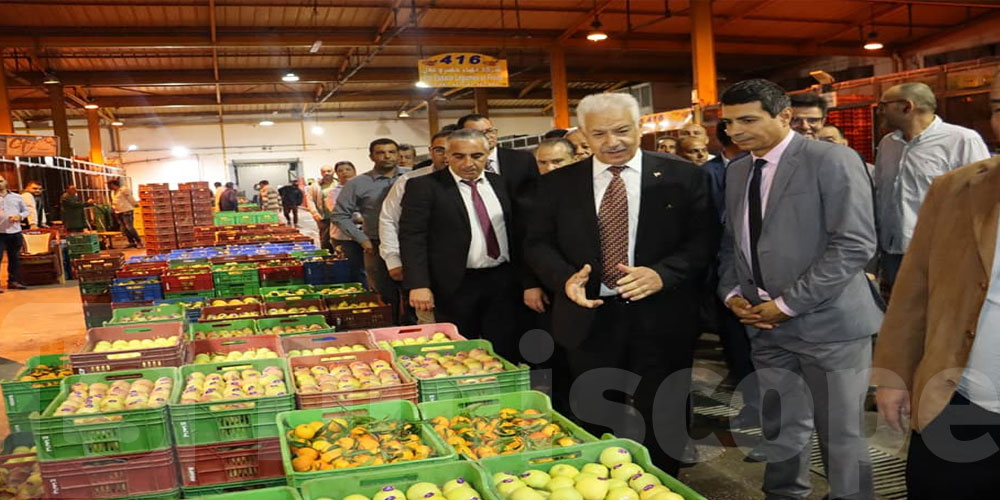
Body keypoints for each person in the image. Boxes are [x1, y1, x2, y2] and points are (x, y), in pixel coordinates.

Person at [526, 92, 720, 474]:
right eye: (599, 134)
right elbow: (536, 243)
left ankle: (663, 483)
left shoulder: (683, 175)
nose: (612, 142)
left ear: (640, 127)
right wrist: (564, 279)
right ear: (582, 133)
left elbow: (705, 240)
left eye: (622, 131)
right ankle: (598, 480)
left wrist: (663, 274)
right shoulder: (557, 184)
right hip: (589, 317)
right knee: (593, 411)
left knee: (664, 413)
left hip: (662, 316)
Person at [717, 78, 881, 500]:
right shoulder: (738, 170)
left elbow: (854, 244)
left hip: (830, 326)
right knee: (780, 424)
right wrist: (733, 292)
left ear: (785, 116)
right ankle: (785, 494)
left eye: (747, 120)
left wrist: (788, 305)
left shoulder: (831, 160)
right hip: (764, 325)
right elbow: (731, 242)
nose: (735, 131)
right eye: (729, 122)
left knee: (840, 434)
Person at [872, 71, 1000, 500]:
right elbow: (914, 288)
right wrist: (893, 374)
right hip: (959, 399)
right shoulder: (956, 190)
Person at [400, 129, 528, 359]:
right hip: (454, 284)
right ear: (447, 156)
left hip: (503, 280)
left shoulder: (501, 184)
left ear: (488, 154)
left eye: (477, 155)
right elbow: (412, 237)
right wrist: (418, 284)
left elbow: (518, 232)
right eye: (459, 156)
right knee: (459, 351)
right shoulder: (424, 187)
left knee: (504, 345)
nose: (469, 163)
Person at [873, 82, 991, 297]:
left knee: (938, 317)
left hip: (940, 252)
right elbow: (880, 193)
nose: (879, 111)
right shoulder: (888, 144)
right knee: (902, 319)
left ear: (907, 107)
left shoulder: (962, 141)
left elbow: (982, 197)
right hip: (892, 252)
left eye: (883, 106)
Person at [699, 121, 760, 449]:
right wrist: (729, 290)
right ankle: (756, 411)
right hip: (734, 283)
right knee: (741, 352)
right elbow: (724, 236)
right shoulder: (722, 173)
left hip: (785, 294)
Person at [379, 130, 451, 324]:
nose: (445, 156)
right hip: (423, 264)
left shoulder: (479, 182)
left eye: (451, 150)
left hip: (463, 270)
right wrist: (393, 259)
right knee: (431, 322)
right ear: (430, 152)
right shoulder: (411, 181)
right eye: (439, 150)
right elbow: (388, 219)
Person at [332, 139, 405, 323]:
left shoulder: (412, 177)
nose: (387, 156)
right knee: (385, 295)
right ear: (371, 156)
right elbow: (340, 215)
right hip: (376, 244)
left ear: (398, 154)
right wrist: (362, 239)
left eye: (391, 152)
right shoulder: (358, 183)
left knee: (416, 291)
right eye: (380, 152)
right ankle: (390, 331)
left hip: (412, 243)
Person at [457, 114, 539, 203]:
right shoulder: (460, 165)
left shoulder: (523, 159)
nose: (488, 136)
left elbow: (536, 193)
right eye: (479, 133)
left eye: (490, 131)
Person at [0, 178, 29, 292]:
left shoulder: (17, 197)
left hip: (15, 232)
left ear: (6, 182)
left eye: (1, 181)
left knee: (14, 258)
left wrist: (19, 216)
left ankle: (13, 281)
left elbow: (26, 211)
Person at [107, 179, 142, 249]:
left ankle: (139, 241)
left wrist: (135, 204)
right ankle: (131, 242)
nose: (109, 187)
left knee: (130, 227)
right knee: (124, 229)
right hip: (118, 212)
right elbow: (115, 201)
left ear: (114, 184)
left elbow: (130, 198)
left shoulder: (123, 190)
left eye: (110, 185)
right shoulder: (113, 192)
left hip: (127, 211)